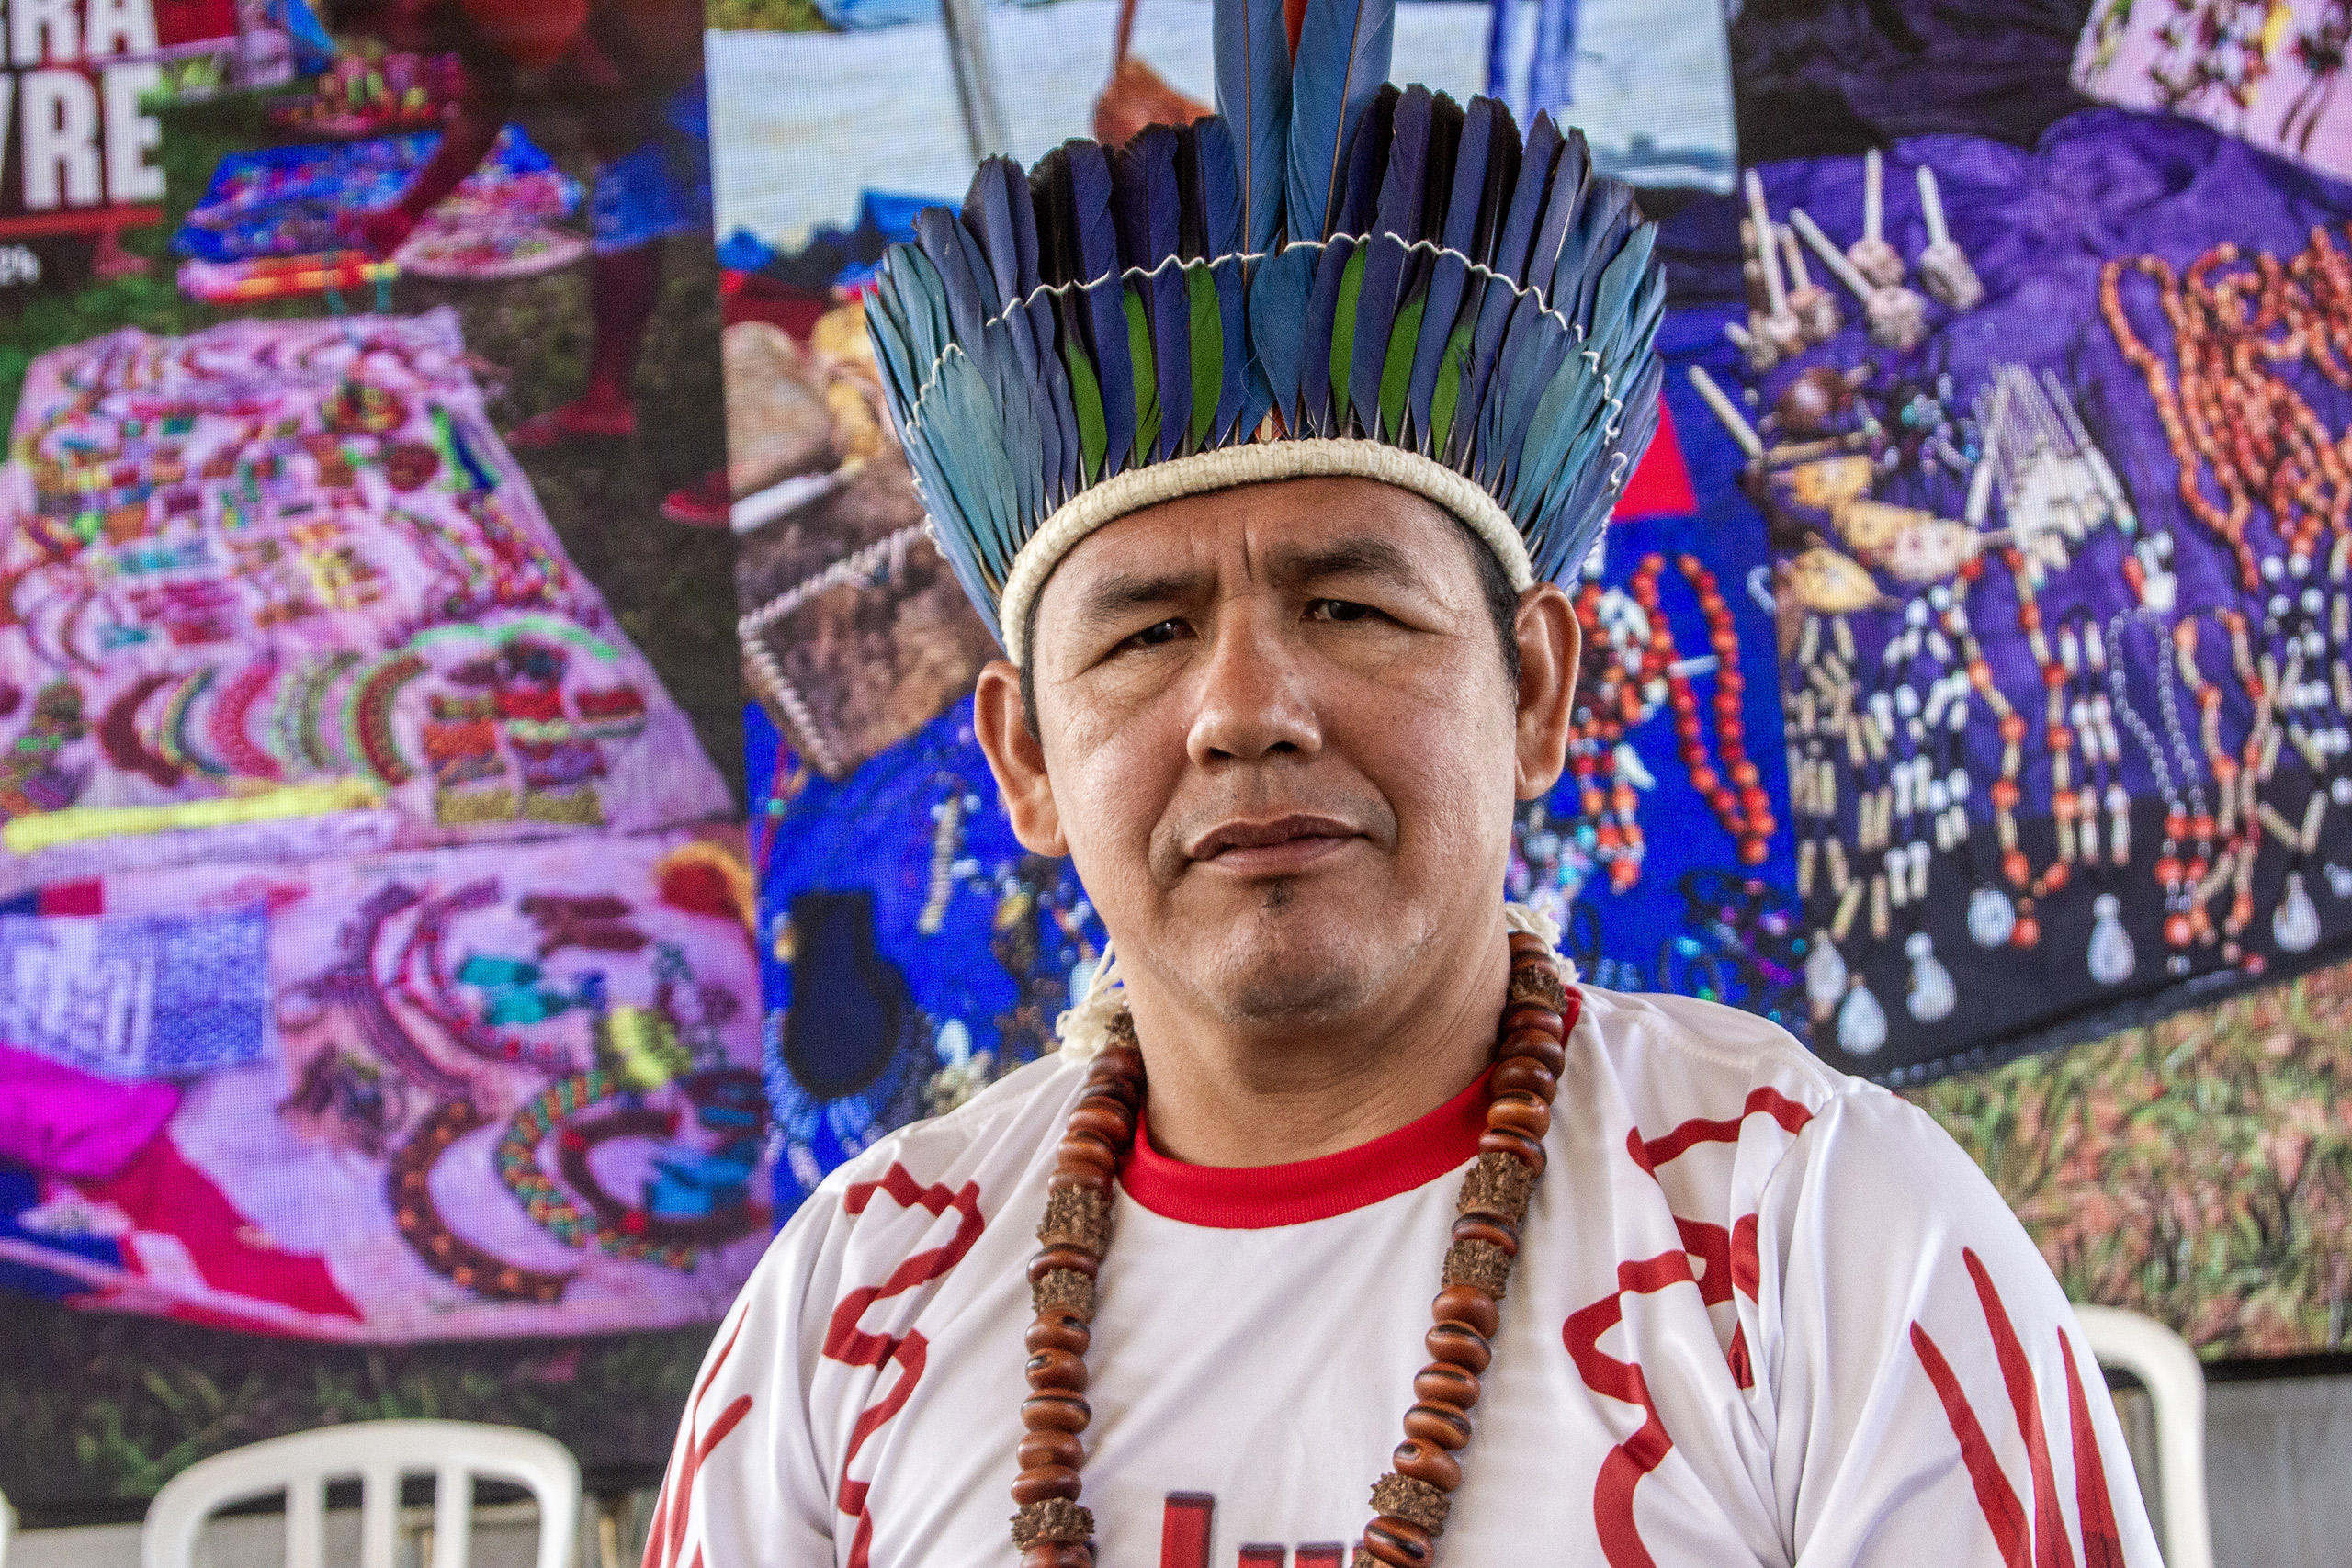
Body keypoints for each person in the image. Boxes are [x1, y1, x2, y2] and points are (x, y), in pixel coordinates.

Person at [646, 0, 2165, 1561]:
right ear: (1026, 757)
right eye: (1149, 632)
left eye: (1349, 605)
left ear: (1534, 689)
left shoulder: (1816, 1238)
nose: (1245, 709)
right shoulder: (848, 1321)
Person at [338, 0, 708, 454]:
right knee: (625, 213)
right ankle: (606, 404)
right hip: (642, 74)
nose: (397, 48)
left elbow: (596, 70)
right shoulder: (464, 22)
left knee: (689, 207)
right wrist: (407, 210)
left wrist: (634, 151)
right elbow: (480, 114)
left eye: (382, 30)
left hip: (689, 63)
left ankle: (729, 448)